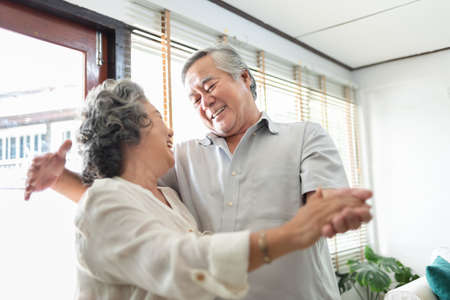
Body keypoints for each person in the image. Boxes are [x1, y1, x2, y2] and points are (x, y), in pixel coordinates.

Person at [25, 46, 372, 300]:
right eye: (193, 98)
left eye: (208, 87)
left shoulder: (304, 137)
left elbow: (324, 207)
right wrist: (60, 179)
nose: (203, 101)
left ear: (245, 78)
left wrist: (330, 212)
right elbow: (126, 202)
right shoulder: (182, 158)